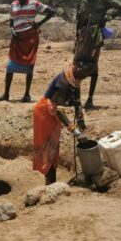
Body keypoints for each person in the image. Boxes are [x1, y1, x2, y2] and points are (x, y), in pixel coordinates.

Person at [33, 56, 96, 185]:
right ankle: (50, 183)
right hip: (44, 114)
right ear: (78, 67)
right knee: (48, 148)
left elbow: (77, 102)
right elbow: (59, 110)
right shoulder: (63, 82)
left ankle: (52, 182)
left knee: (54, 147)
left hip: (53, 114)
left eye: (87, 76)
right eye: (84, 74)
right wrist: (76, 131)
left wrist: (80, 120)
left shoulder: (74, 80)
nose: (84, 78)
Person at [74, 0, 121, 109]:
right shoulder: (81, 0)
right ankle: (76, 99)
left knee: (93, 65)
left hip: (95, 36)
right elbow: (78, 20)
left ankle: (90, 99)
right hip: (82, 36)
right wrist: (76, 37)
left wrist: (108, 16)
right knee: (76, 65)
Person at [0, 0, 56, 103]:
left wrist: (39, 24)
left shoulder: (34, 3)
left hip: (30, 38)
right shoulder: (13, 4)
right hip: (17, 38)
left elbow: (52, 12)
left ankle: (27, 94)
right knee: (10, 66)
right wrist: (12, 29)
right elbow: (12, 20)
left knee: (29, 65)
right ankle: (6, 94)